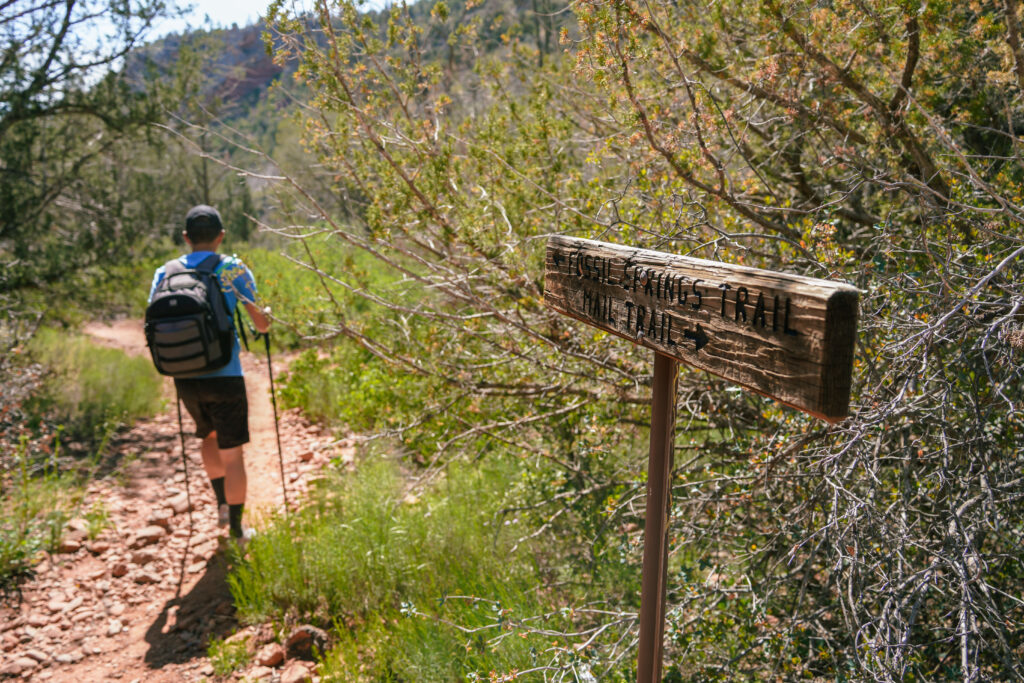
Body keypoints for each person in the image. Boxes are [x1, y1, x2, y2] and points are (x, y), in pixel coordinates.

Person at [149, 204, 269, 546]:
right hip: (225, 374)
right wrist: (266, 316)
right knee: (233, 454)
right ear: (221, 236)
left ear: (186, 238)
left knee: (209, 437)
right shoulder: (231, 268)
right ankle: (235, 531)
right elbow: (260, 323)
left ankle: (220, 503)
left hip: (184, 375)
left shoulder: (165, 272)